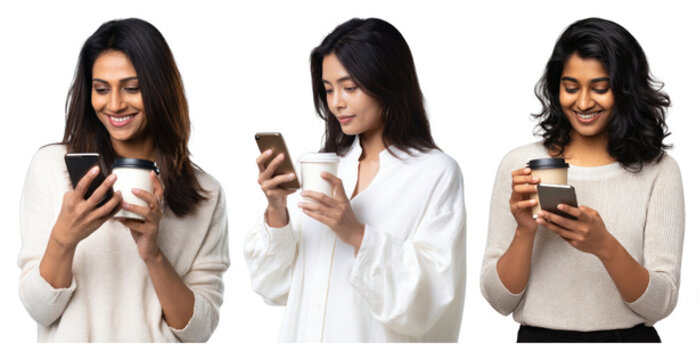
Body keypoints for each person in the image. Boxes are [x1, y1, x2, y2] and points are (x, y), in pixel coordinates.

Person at [245, 18, 466, 342]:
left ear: (388, 82)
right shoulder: (328, 168)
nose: (336, 102)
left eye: (350, 87)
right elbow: (274, 287)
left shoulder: (434, 173)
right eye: (328, 88)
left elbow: (432, 299)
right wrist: (277, 210)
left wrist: (357, 234)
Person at [17, 18, 228, 342]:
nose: (114, 104)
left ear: (160, 88)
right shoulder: (52, 168)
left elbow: (199, 331)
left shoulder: (205, 194)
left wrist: (153, 254)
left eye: (132, 88)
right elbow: (38, 309)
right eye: (101, 89)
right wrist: (64, 238)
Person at [480, 17, 683, 343]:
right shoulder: (520, 165)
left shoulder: (659, 170)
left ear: (625, 90)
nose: (584, 103)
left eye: (600, 89)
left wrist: (604, 245)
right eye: (571, 88)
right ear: (556, 87)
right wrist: (524, 231)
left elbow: (660, 304)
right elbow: (500, 301)